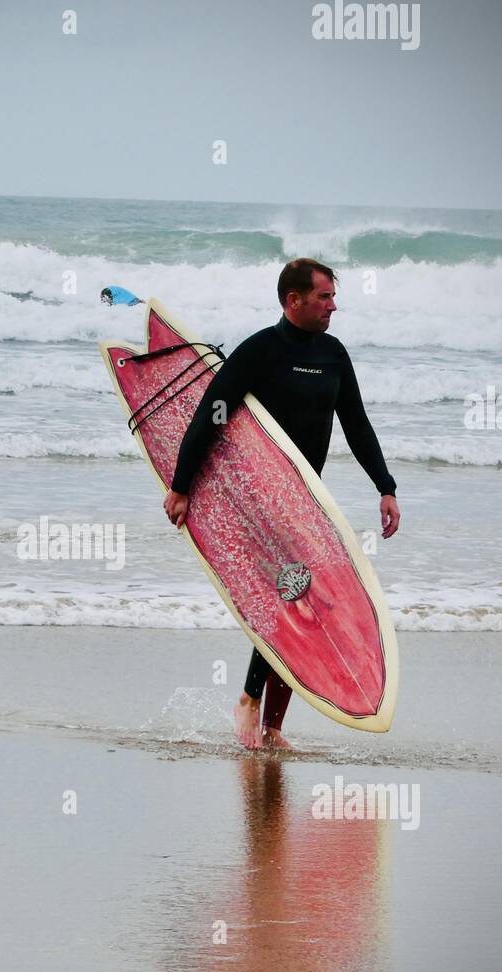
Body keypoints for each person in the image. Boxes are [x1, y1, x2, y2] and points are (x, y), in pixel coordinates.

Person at [164, 258, 401, 750]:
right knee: (288, 599)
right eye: (324, 297)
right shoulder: (259, 352)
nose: (333, 306)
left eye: (333, 297)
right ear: (294, 300)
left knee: (299, 601)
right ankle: (251, 703)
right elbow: (212, 415)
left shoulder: (334, 354)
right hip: (261, 503)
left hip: (307, 500)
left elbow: (356, 423)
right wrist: (182, 484)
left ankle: (271, 725)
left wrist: (385, 485)